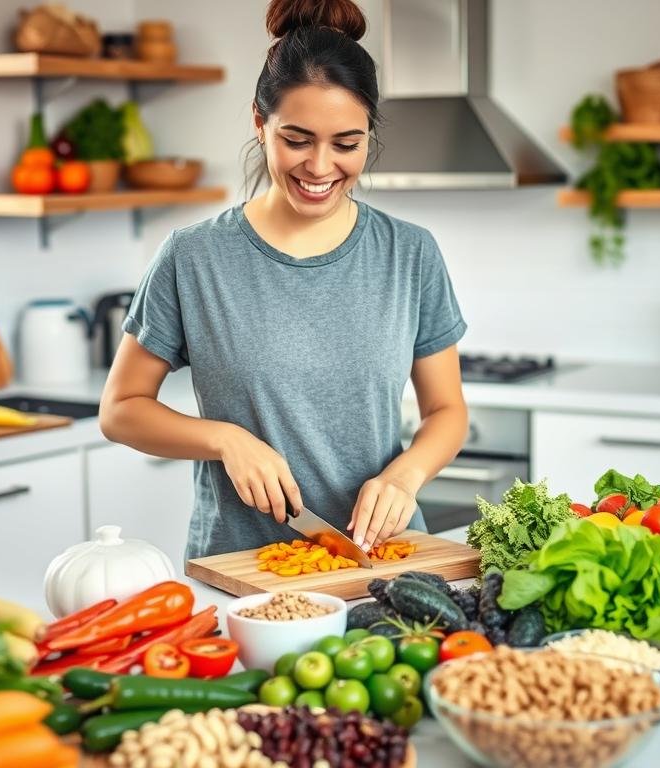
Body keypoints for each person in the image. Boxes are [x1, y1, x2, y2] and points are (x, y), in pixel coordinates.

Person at [100, 0, 469, 560]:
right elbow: (121, 408)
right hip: (240, 569)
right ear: (259, 122)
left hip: (382, 559)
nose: (321, 167)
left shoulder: (409, 253)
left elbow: (447, 411)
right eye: (297, 139)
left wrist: (405, 476)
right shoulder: (194, 257)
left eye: (347, 144)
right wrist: (225, 439)